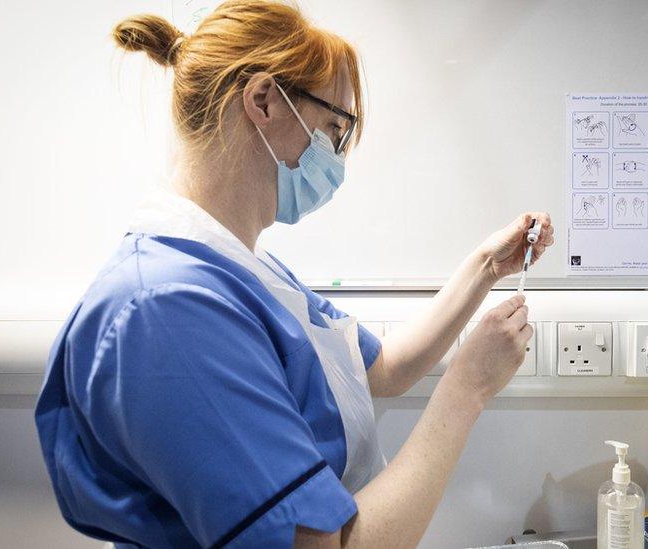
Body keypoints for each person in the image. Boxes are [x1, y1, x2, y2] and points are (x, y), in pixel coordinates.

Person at [34, 1, 554, 547]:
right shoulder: (167, 311)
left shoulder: (239, 266)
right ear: (262, 100)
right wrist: (467, 388)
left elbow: (383, 370)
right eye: (332, 129)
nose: (335, 160)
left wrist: (487, 267)